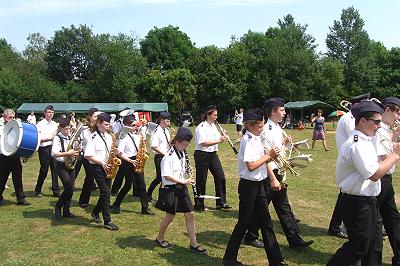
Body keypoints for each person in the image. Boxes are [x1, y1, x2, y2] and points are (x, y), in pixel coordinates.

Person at [327, 100, 400, 265]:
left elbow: (378, 162)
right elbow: (374, 174)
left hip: (369, 200)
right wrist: (395, 156)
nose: (378, 126)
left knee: (374, 247)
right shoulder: (357, 143)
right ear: (362, 121)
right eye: (376, 122)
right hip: (356, 202)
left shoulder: (367, 139)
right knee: (358, 247)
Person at [244, 98, 313, 248]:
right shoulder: (267, 129)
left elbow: (276, 149)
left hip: (279, 171)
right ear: (273, 112)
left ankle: (294, 239)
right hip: (271, 173)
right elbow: (266, 155)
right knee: (263, 207)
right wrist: (273, 178)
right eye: (281, 110)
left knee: (282, 207)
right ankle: (251, 235)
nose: (284, 113)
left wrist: (285, 143)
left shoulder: (276, 127)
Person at [223, 108, 287, 266]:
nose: (262, 128)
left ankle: (276, 261)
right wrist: (269, 156)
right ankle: (229, 258)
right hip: (248, 187)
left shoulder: (258, 137)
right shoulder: (249, 139)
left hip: (259, 185)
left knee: (266, 222)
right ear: (250, 125)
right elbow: (251, 165)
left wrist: (272, 177)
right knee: (243, 223)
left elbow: (262, 163)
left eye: (263, 124)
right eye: (259, 125)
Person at [154, 127, 207, 254]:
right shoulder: (168, 156)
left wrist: (186, 171)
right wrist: (183, 181)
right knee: (170, 216)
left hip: (181, 188)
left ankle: (193, 244)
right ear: (177, 141)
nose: (186, 146)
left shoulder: (182, 153)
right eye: (185, 144)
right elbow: (166, 175)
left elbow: (179, 170)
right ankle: (159, 238)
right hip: (171, 189)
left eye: (188, 144)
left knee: (190, 215)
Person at [328, 92, 371, 239]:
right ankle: (339, 227)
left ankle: (335, 227)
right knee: (347, 195)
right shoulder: (349, 119)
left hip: (352, 160)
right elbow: (359, 137)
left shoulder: (352, 118)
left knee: (344, 195)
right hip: (350, 161)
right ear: (357, 104)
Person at [110, 114, 154, 215]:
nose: (136, 127)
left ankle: (145, 208)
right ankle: (116, 204)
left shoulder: (137, 136)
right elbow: (119, 153)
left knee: (142, 185)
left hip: (137, 160)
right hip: (127, 162)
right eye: (134, 125)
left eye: (136, 125)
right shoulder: (124, 137)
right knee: (127, 185)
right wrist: (130, 161)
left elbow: (140, 148)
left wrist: (144, 151)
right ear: (127, 126)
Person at [375, 97, 400, 265]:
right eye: (397, 112)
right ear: (387, 110)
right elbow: (383, 157)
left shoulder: (386, 130)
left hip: (387, 180)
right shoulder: (377, 130)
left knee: (393, 220)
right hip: (378, 180)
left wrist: (395, 137)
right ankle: (369, 259)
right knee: (374, 224)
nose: (398, 117)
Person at [84, 112, 119, 231]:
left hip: (108, 166)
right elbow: (88, 155)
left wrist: (116, 154)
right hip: (97, 167)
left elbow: (110, 150)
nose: (108, 127)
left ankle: (95, 213)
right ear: (99, 123)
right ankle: (107, 220)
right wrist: (102, 163)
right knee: (105, 192)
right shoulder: (93, 137)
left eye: (109, 124)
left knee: (107, 192)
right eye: (105, 124)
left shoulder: (109, 136)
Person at [193, 105, 231, 211]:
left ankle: (221, 202)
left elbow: (216, 138)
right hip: (202, 154)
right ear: (208, 115)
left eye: (216, 115)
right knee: (201, 180)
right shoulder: (201, 127)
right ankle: (199, 204)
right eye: (214, 115)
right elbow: (204, 143)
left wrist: (222, 135)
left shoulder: (213, 126)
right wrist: (221, 140)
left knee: (220, 177)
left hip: (213, 154)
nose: (216, 117)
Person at [0, 109, 30, 206]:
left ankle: (20, 198)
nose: (12, 119)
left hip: (15, 155)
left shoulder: (16, 126)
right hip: (3, 156)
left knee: (17, 178)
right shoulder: (0, 126)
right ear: (4, 117)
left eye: (13, 117)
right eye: (10, 117)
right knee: (2, 178)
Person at [52, 118, 80, 219]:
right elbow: (54, 154)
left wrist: (77, 149)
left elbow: (73, 149)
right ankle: (58, 206)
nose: (69, 128)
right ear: (61, 127)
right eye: (67, 126)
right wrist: (68, 153)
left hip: (70, 164)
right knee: (68, 187)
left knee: (71, 189)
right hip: (60, 165)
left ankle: (66, 210)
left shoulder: (70, 137)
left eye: (70, 126)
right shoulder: (57, 138)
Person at [76, 108, 100, 208]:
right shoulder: (83, 128)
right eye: (95, 116)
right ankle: (83, 200)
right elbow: (77, 138)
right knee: (90, 176)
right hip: (87, 155)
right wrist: (78, 144)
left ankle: (104, 200)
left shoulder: (100, 127)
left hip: (98, 155)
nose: (97, 118)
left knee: (94, 178)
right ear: (89, 117)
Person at [34, 105, 60, 197]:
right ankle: (38, 189)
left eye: (52, 112)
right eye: (49, 112)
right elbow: (38, 139)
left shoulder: (55, 124)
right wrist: (50, 138)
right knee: (44, 170)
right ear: (44, 113)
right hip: (44, 149)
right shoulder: (40, 124)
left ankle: (56, 191)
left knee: (55, 169)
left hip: (53, 148)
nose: (50, 114)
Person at [146, 111, 172, 202]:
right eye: (167, 121)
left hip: (166, 156)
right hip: (160, 157)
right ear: (161, 120)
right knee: (160, 177)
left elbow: (167, 143)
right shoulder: (157, 132)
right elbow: (154, 146)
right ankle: (148, 194)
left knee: (164, 177)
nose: (169, 123)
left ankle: (163, 196)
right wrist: (165, 154)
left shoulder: (166, 130)